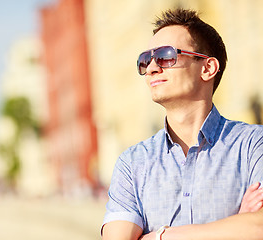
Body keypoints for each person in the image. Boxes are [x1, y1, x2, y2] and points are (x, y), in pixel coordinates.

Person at [101, 8, 263, 240]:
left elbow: (259, 228)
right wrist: (234, 228)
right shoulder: (133, 163)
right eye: (146, 60)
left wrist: (157, 236)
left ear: (207, 68)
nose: (152, 68)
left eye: (166, 56)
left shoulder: (253, 145)